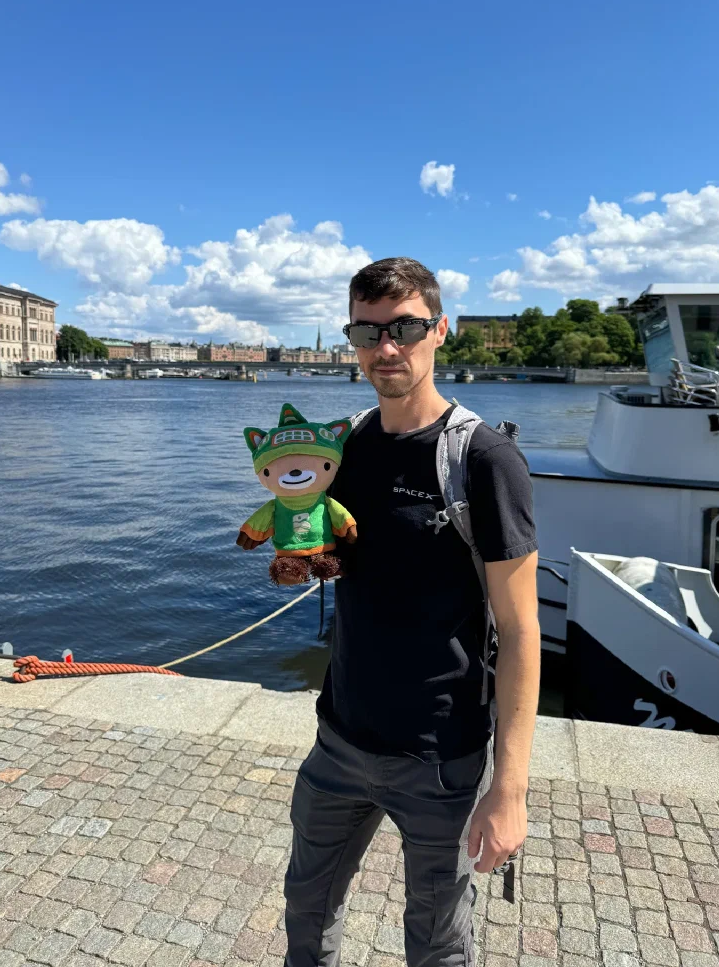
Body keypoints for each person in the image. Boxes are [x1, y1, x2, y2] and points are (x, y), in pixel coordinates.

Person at [283, 258, 540, 967]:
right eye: (366, 332)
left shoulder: (484, 460)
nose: (385, 347)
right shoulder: (348, 446)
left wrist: (508, 787)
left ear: (439, 331)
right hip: (338, 740)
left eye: (403, 327)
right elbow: (355, 563)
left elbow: (520, 633)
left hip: (441, 760)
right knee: (306, 913)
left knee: (438, 943)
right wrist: (308, 558)